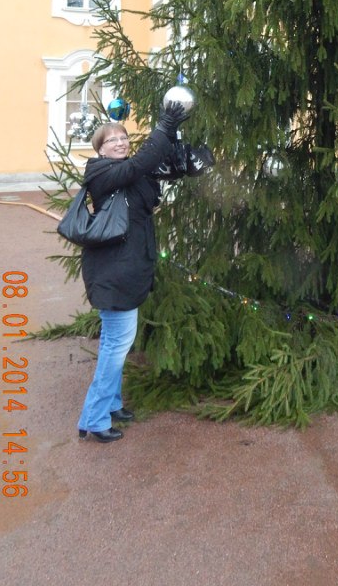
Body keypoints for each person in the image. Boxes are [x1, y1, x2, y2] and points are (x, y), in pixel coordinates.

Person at [76, 102, 213, 443]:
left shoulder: (132, 175)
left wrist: (183, 152)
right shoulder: (101, 172)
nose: (120, 143)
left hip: (128, 267)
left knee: (115, 342)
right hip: (113, 271)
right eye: (112, 141)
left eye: (123, 137)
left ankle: (111, 404)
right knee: (115, 346)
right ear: (100, 150)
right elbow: (144, 161)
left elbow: (157, 169)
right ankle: (93, 418)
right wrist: (164, 126)